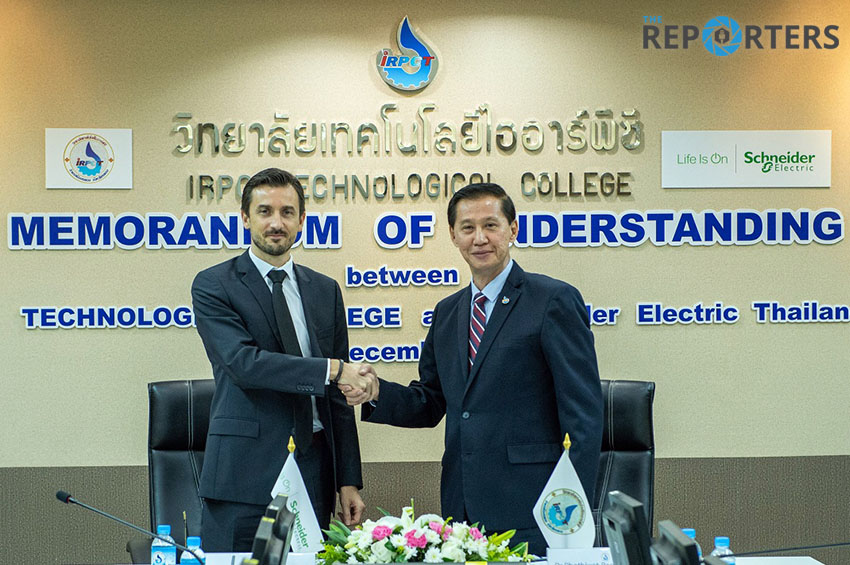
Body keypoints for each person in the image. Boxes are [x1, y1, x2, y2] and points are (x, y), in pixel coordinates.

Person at [346, 182, 603, 554]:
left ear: (512, 229)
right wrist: (376, 392)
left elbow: (583, 416)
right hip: (462, 508)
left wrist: (570, 508)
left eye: (490, 225)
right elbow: (430, 401)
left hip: (537, 508)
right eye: (467, 228)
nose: (479, 238)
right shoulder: (447, 312)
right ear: (453, 235)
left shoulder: (552, 300)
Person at [192, 167, 375, 552]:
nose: (277, 223)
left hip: (312, 471)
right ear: (245, 218)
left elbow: (337, 396)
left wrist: (347, 480)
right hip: (241, 474)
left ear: (302, 220)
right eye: (265, 211)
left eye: (287, 212)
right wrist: (331, 369)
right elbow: (244, 364)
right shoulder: (214, 284)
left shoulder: (325, 290)